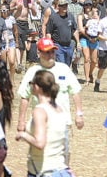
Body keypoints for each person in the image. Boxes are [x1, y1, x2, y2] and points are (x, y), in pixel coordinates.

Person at [16, 37, 84, 166]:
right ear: (38, 53)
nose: (50, 55)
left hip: (62, 123)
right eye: (46, 52)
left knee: (63, 159)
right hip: (41, 123)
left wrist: (79, 114)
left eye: (52, 51)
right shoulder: (33, 72)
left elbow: (75, 91)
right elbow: (25, 96)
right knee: (41, 156)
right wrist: (21, 120)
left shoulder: (64, 69)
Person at [16, 70, 74, 177]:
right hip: (61, 169)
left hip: (43, 170)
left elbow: (40, 143)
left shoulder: (40, 111)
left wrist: (22, 135)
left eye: (31, 83)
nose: (30, 86)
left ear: (37, 87)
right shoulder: (59, 109)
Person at [44, 0, 79, 66]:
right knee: (61, 64)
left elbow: (74, 30)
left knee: (67, 65)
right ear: (58, 7)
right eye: (62, 6)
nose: (64, 7)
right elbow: (48, 32)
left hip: (69, 45)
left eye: (66, 5)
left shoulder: (70, 16)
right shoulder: (53, 18)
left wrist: (78, 42)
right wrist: (49, 45)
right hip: (58, 45)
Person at [77, 0, 99, 83]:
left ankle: (90, 73)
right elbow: (81, 29)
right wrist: (89, 38)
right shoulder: (81, 16)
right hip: (84, 38)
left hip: (94, 39)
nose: (88, 7)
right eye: (86, 5)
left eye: (90, 5)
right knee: (86, 58)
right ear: (84, 6)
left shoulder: (95, 15)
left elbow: (99, 26)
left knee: (94, 60)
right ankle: (86, 79)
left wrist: (95, 38)